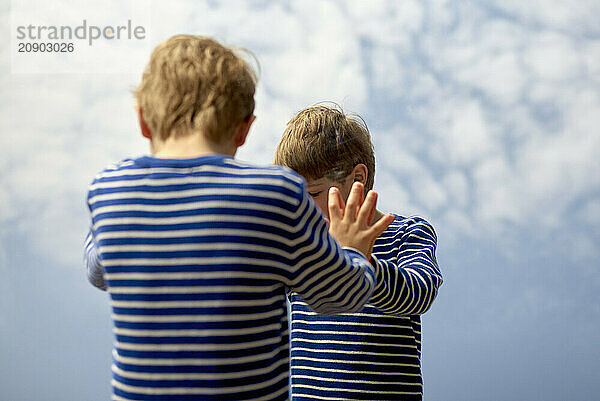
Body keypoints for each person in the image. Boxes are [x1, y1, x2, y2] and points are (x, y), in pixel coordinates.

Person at [83, 36, 393, 401]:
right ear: (244, 129)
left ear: (143, 121)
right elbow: (342, 295)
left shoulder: (109, 189)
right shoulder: (275, 192)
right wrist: (353, 250)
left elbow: (97, 271)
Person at [273, 104, 444, 400]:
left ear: (357, 179)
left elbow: (420, 292)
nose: (302, 207)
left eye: (312, 193)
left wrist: (360, 262)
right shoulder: (299, 248)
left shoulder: (406, 233)